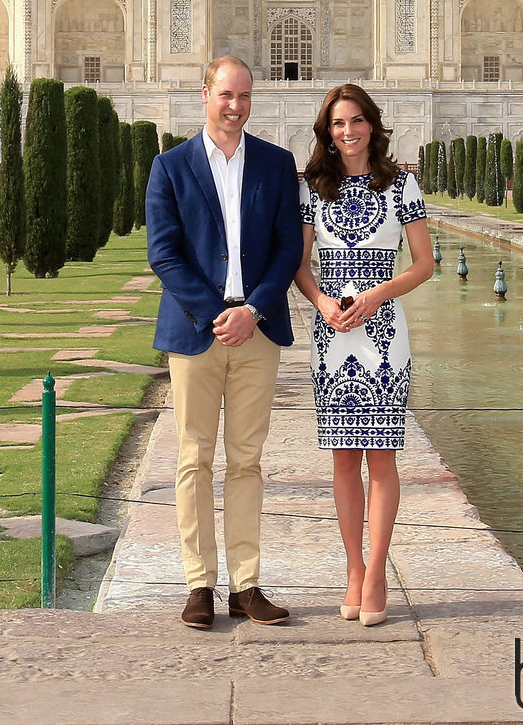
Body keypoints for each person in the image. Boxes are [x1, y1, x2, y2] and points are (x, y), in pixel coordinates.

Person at [145, 56, 303, 630]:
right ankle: (198, 584)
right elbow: (164, 253)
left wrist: (253, 308)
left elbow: (289, 248)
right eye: (225, 95)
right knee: (193, 458)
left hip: (258, 328)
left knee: (247, 460)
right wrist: (219, 314)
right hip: (196, 330)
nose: (234, 106)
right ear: (205, 93)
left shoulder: (276, 164)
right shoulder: (170, 167)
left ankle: (246, 584)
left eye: (243, 96)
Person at [294, 84, 433, 627]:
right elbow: (300, 265)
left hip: (382, 334)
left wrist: (375, 295)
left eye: (355, 121)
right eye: (337, 124)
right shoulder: (314, 189)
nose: (347, 131)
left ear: (372, 125)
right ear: (327, 133)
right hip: (333, 334)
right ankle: (353, 569)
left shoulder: (402, 185)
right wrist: (322, 299)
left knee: (381, 457)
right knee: (343, 460)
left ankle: (375, 573)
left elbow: (423, 264)